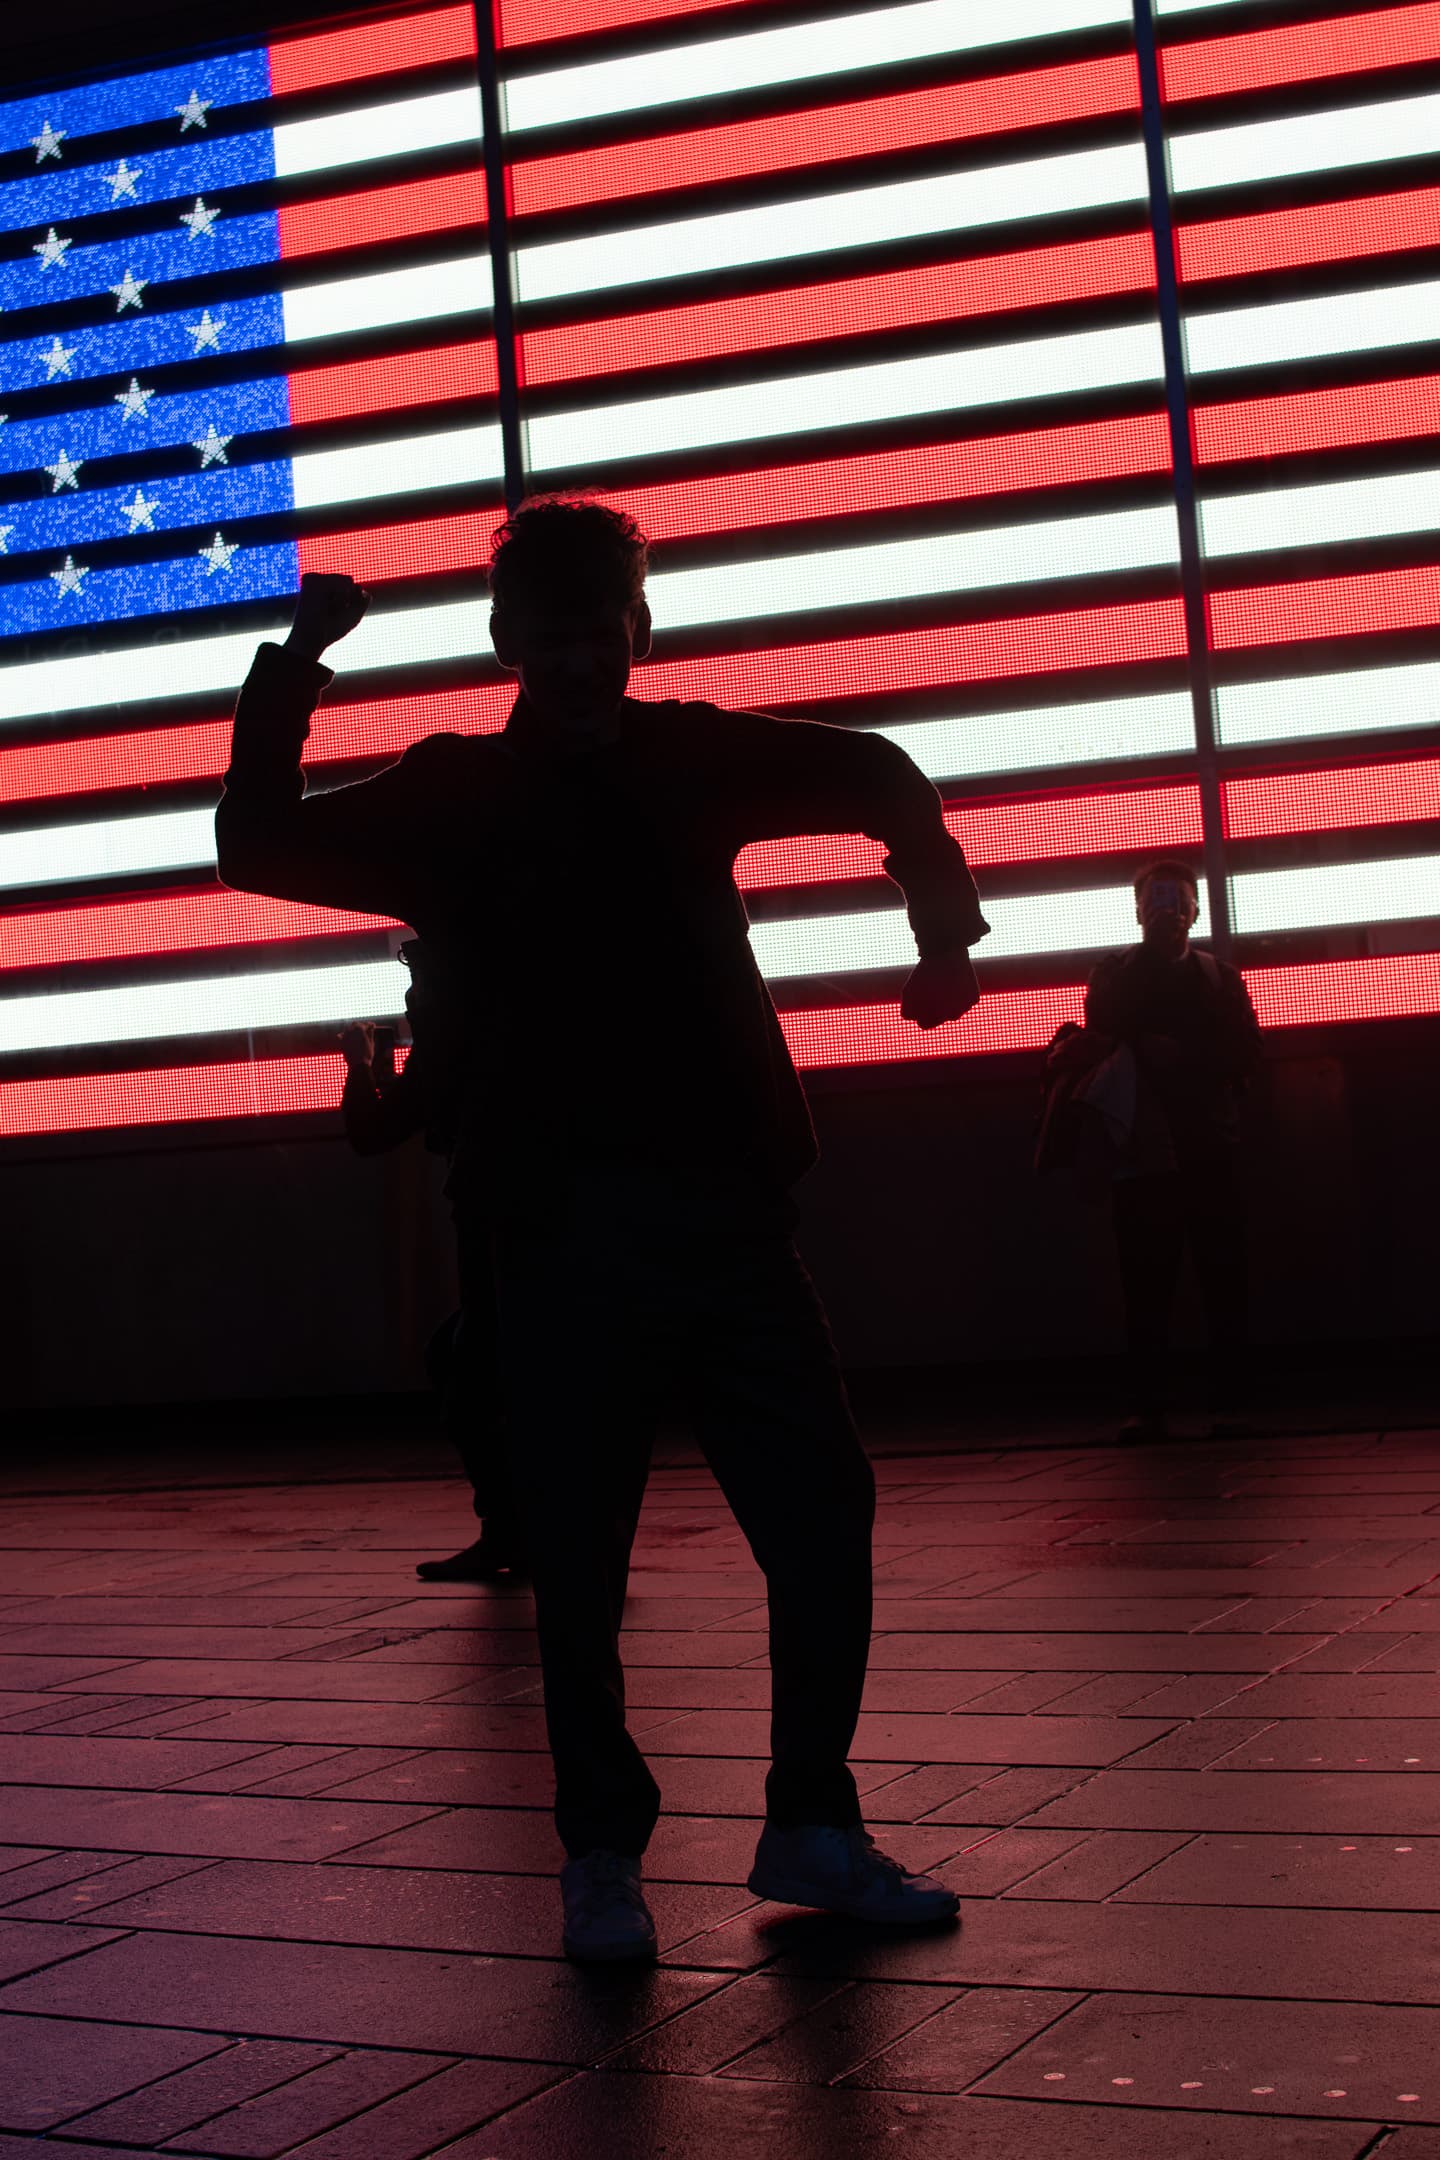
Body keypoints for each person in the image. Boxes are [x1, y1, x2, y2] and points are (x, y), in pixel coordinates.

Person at [216, 498, 989, 1964]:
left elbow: (879, 772)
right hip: (571, 1231)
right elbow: (253, 844)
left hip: (707, 1221)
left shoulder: (661, 763)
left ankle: (788, 1829)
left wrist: (944, 929)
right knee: (584, 1559)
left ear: (635, 634)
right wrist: (297, 662)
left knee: (812, 1520)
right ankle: (615, 1851)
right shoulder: (464, 796)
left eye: (598, 637)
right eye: (553, 639)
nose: (577, 665)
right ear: (515, 643)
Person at [338, 943, 526, 1584]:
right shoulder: (503, 1030)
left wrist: (361, 1065)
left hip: (492, 1223)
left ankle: (515, 1533)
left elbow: (374, 1131)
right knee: (479, 1365)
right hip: (535, 1220)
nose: (411, 993)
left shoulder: (450, 1041)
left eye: (417, 973)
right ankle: (534, 1532)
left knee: (472, 1378)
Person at [1083, 860, 1263, 1440]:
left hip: (1156, 1148)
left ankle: (1155, 1406)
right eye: (1160, 902)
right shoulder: (1217, 979)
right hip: (1195, 1142)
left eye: (1174, 902)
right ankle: (1224, 1402)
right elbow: (1244, 1051)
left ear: (1192, 911)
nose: (1167, 913)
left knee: (1175, 1278)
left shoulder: (1115, 976)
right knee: (1187, 1277)